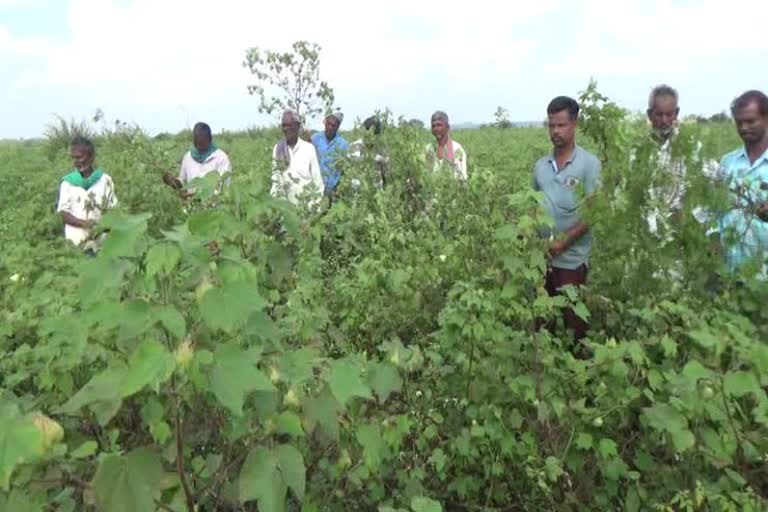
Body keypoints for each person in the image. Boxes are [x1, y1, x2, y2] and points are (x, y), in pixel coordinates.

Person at [533, 96, 601, 340]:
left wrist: (562, 243)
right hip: (542, 261)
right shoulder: (540, 166)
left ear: (575, 125)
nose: (555, 131)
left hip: (572, 261)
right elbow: (533, 206)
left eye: (561, 125)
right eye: (551, 125)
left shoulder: (588, 164)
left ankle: (578, 374)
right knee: (542, 325)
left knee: (575, 327)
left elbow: (594, 212)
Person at [715, 90, 768, 278]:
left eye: (751, 121)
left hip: (763, 274)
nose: (744, 127)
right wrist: (713, 240)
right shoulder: (727, 162)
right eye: (739, 122)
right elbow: (714, 209)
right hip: (729, 271)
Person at [56, 136, 118, 251]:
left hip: (101, 240)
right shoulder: (67, 183)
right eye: (73, 158)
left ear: (91, 157)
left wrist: (102, 226)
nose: (76, 161)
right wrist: (86, 224)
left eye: (80, 157)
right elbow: (64, 214)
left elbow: (113, 210)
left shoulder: (105, 180)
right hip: (75, 240)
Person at [271, 110, 324, 206]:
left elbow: (318, 182)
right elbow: (276, 179)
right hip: (285, 210)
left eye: (289, 125)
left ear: (297, 126)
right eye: (284, 125)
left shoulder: (309, 149)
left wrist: (313, 208)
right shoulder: (278, 149)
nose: (286, 128)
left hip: (306, 208)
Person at [163, 122, 231, 194]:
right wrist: (173, 182)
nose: (199, 148)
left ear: (210, 139)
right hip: (191, 204)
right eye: (197, 144)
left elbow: (223, 188)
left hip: (213, 204)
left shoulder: (221, 158)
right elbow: (183, 182)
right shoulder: (188, 157)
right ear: (193, 140)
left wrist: (196, 197)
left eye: (203, 144)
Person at [311, 111, 349, 198]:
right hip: (315, 187)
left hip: (332, 191)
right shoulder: (315, 139)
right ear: (325, 123)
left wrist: (339, 189)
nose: (330, 127)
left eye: (333, 126)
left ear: (338, 127)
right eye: (328, 124)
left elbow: (344, 169)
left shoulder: (343, 144)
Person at [349, 116, 390, 188]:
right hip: (356, 192)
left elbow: (386, 176)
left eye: (375, 133)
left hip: (376, 192)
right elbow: (347, 170)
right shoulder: (353, 147)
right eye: (368, 132)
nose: (371, 136)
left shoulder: (382, 150)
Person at [426, 111, 467, 180]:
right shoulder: (430, 148)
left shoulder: (457, 149)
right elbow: (428, 172)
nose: (436, 129)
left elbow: (461, 179)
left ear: (447, 127)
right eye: (433, 126)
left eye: (439, 125)